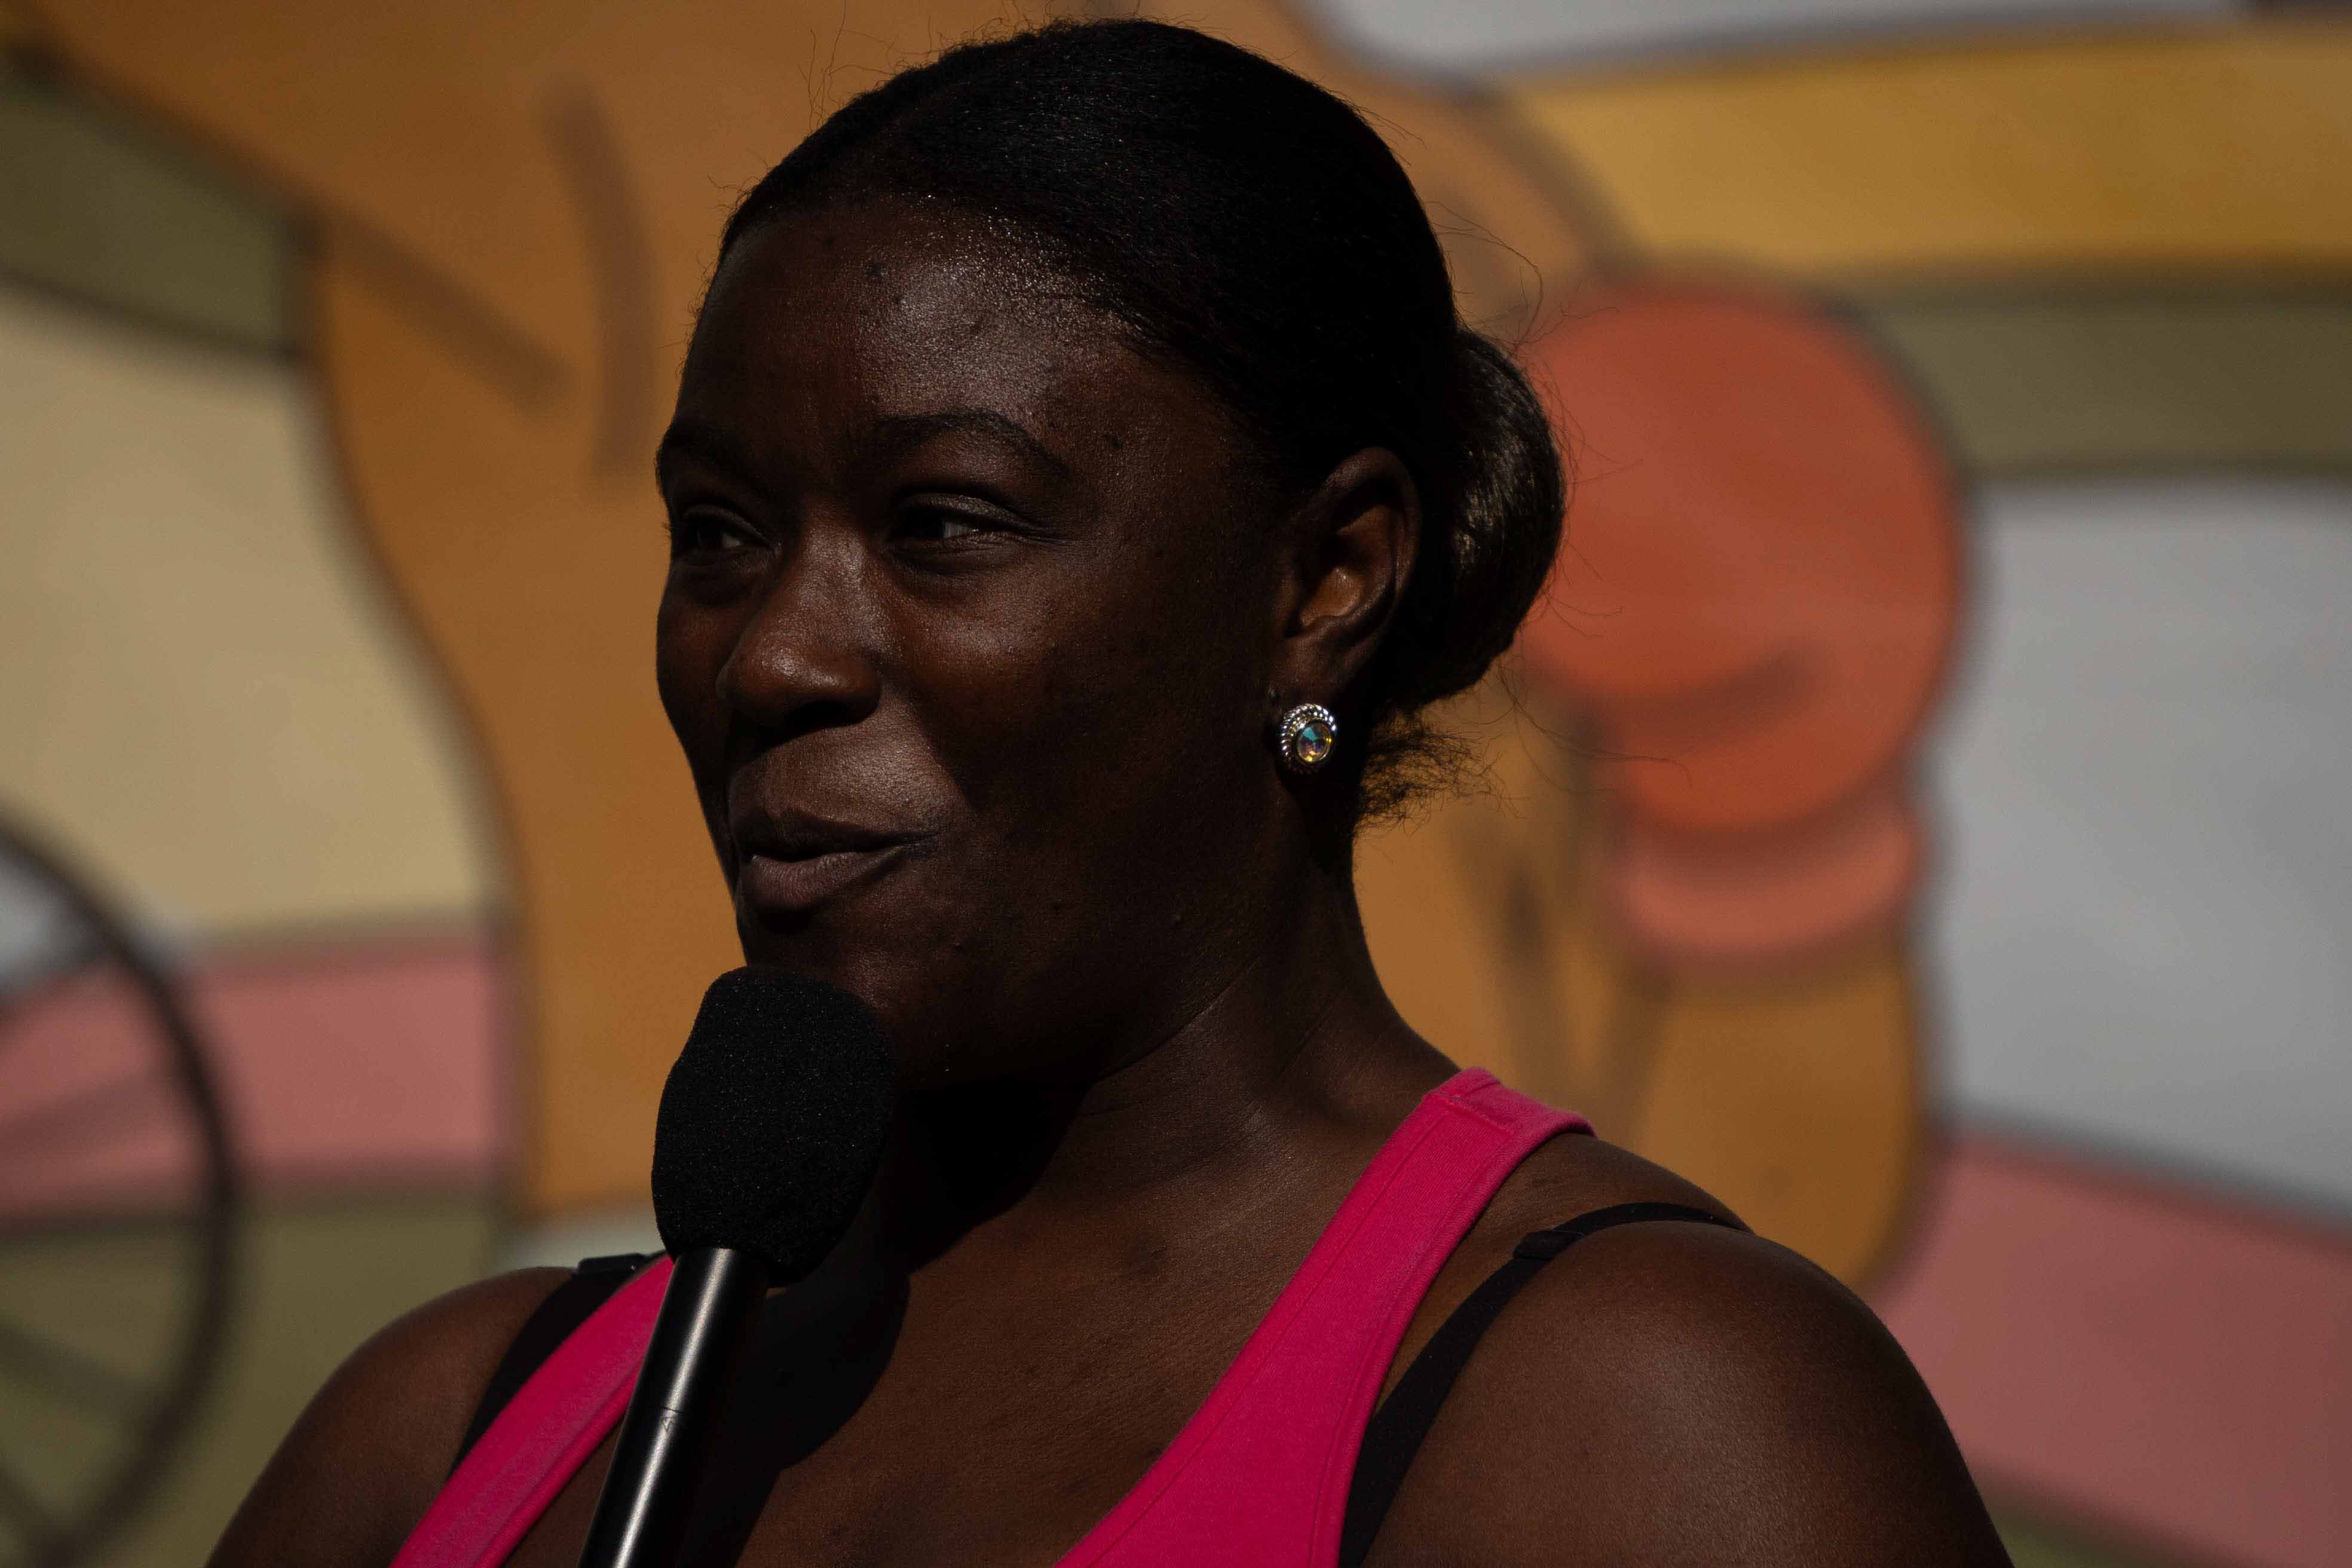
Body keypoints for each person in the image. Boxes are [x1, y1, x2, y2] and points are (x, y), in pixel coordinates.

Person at [209, 19, 2010, 1567]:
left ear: (1326, 582)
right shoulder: (444, 1430)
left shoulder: (1649, 1421)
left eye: (944, 523)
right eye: (720, 533)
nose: (772, 658)